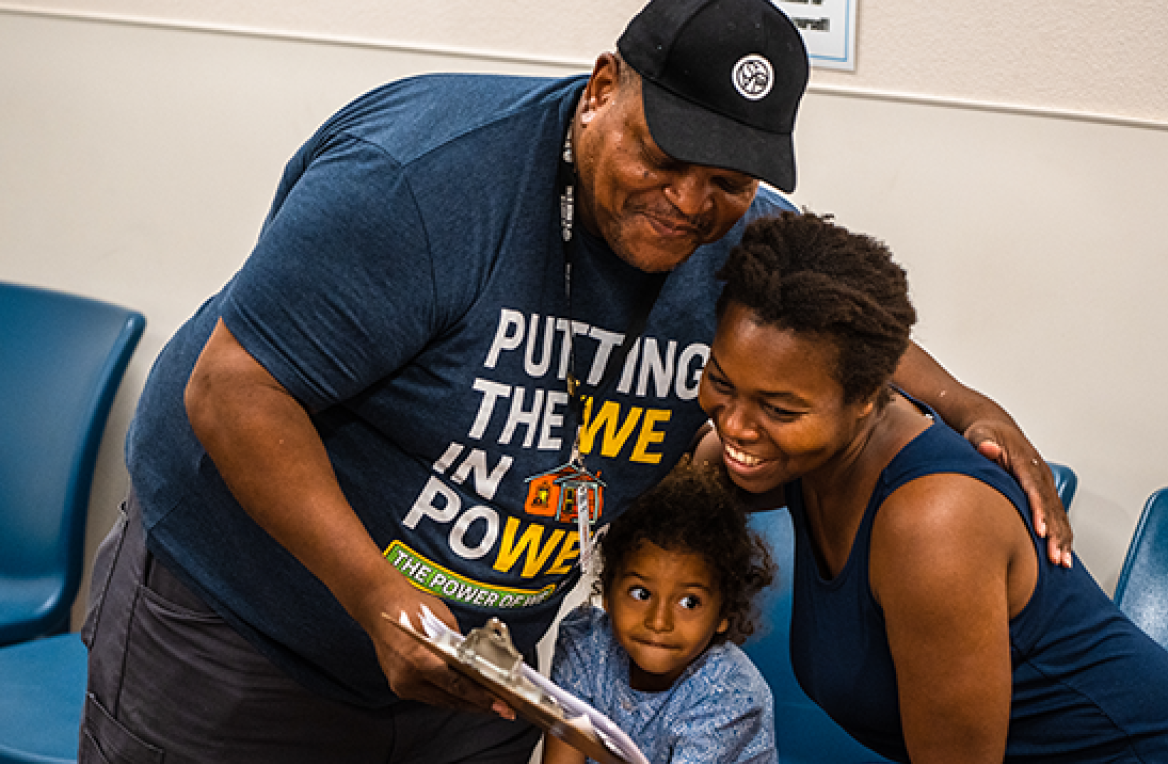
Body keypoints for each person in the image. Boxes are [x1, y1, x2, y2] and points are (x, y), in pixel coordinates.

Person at [79, 1, 1070, 762]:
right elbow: (232, 389)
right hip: (242, 633)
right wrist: (377, 595)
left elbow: (829, 318)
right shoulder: (422, 176)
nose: (687, 202)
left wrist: (966, 402)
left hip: (475, 666)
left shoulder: (736, 224)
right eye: (664, 154)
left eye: (725, 181)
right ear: (602, 87)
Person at [694, 211, 1168, 763]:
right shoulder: (809, 448)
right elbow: (696, 469)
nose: (737, 425)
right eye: (722, 382)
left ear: (866, 396)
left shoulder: (934, 523)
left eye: (779, 408)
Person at [546, 456, 777, 764]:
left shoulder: (730, 694)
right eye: (641, 594)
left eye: (689, 602)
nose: (659, 621)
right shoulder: (585, 646)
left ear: (725, 611)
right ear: (608, 591)